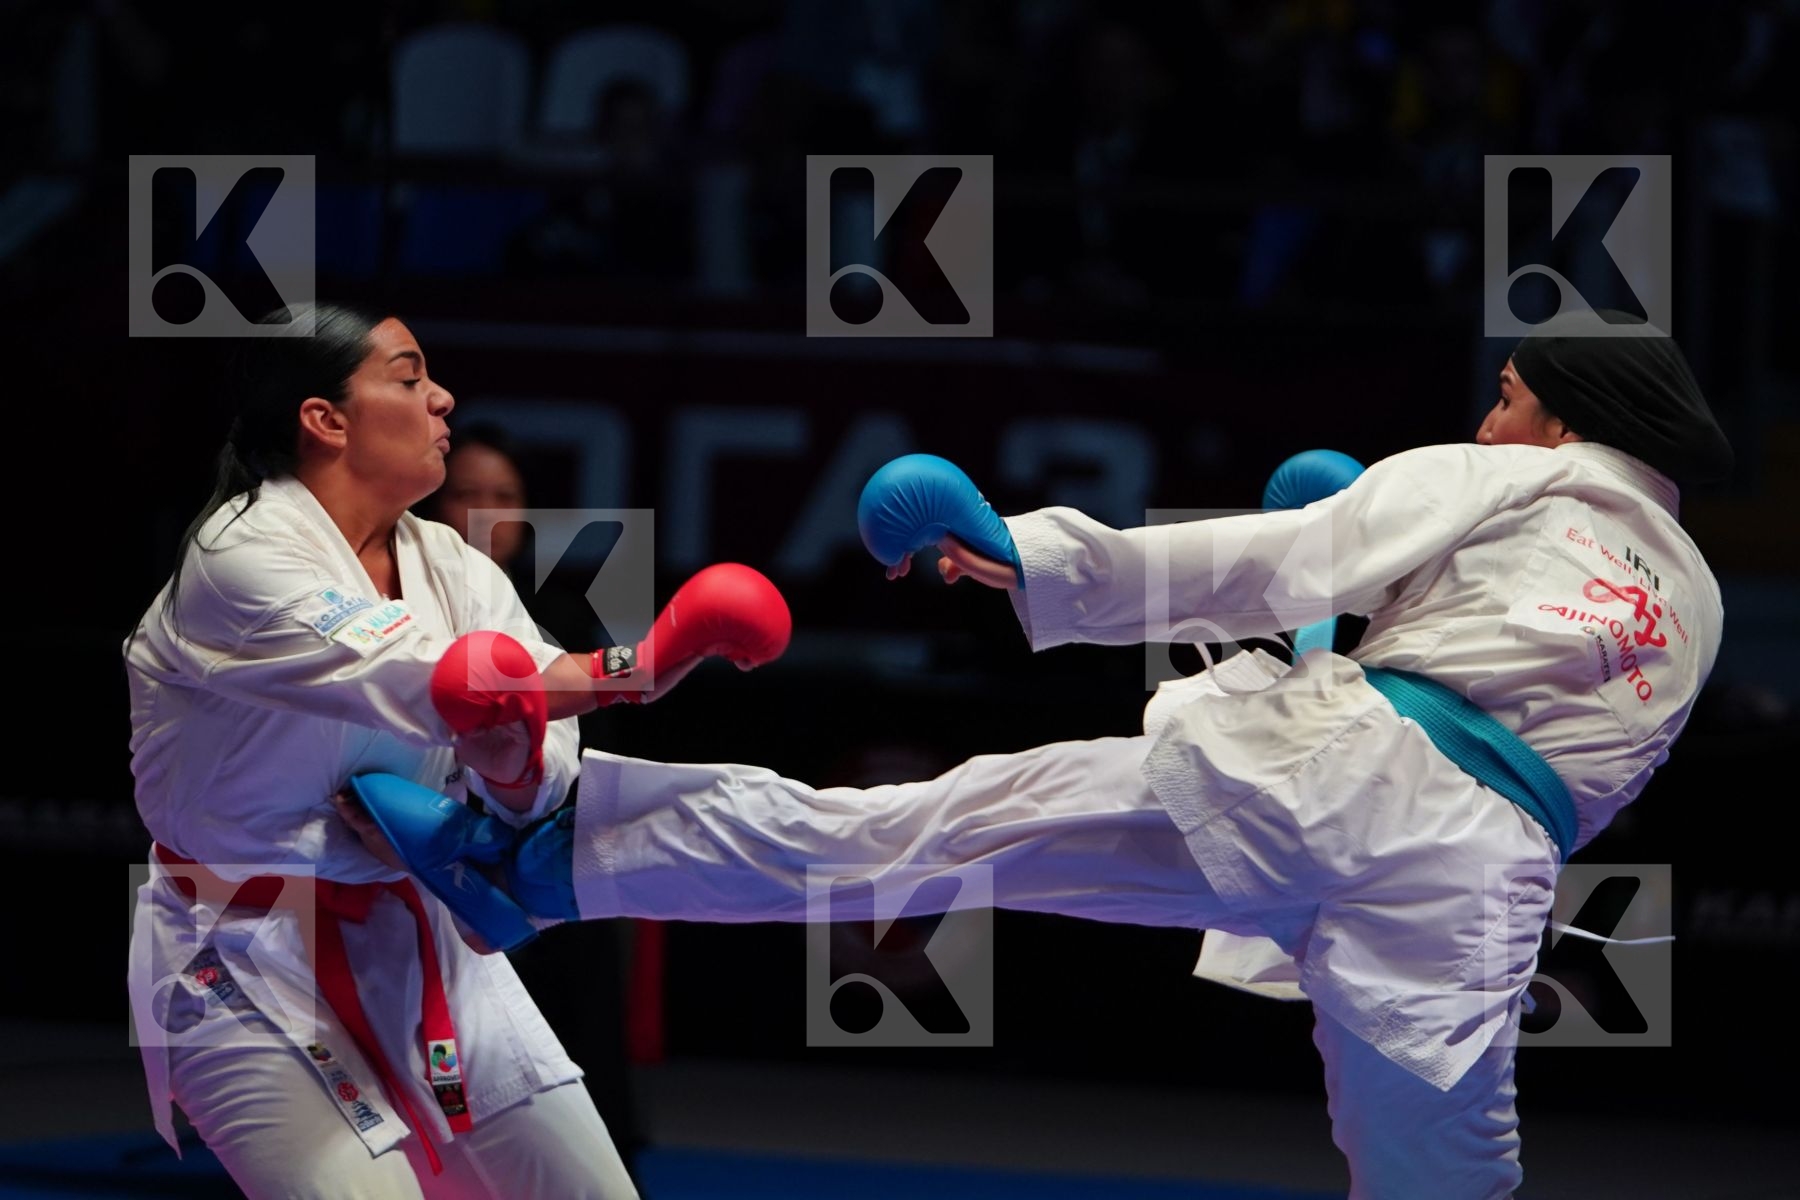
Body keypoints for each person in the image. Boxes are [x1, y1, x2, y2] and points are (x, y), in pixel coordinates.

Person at [349, 309, 1731, 1198]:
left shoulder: (1517, 473)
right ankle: (542, 862)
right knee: (1448, 1182)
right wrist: (1328, 654)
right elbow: (1538, 751)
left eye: (1507, 396)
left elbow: (1293, 553)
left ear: (1565, 419)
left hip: (1328, 788)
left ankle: (540, 861)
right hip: (1474, 882)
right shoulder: (1700, 602)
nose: (1489, 420)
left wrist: (1033, 559)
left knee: (914, 833)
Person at [123, 302, 789, 1200]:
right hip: (242, 955)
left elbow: (543, 765)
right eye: (408, 378)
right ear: (325, 420)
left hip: (420, 937)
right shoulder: (240, 554)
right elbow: (432, 678)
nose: (441, 398)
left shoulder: (455, 566)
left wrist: (514, 767)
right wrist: (640, 664)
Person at [418, 420, 648, 1182]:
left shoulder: (568, 622)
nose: (487, 512)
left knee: (576, 1033)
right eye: (468, 494)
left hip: (550, 863)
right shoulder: (403, 609)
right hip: (440, 865)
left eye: (505, 496)